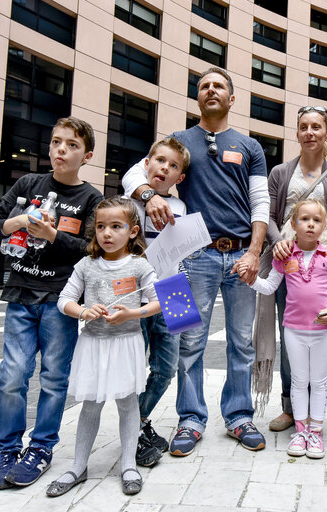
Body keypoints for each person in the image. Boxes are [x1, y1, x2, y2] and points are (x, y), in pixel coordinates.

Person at [123, 67, 270, 455]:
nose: (211, 90)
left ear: (232, 98)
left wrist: (255, 251)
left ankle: (239, 416)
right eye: (204, 85)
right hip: (192, 259)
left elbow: (261, 204)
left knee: (241, 342)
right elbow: (133, 174)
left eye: (219, 85)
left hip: (241, 256)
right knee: (189, 340)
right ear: (198, 96)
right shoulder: (178, 142)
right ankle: (190, 419)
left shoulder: (250, 147)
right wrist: (147, 195)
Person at [0, 117, 103, 490]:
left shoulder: (91, 199)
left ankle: (41, 447)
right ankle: (6, 449)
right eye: (55, 142)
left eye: (71, 145)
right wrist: (18, 221)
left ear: (87, 155)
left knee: (53, 377)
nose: (61, 150)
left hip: (60, 300)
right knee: (12, 375)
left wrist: (51, 235)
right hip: (20, 293)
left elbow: (91, 250)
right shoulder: (27, 185)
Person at [46, 197, 162, 497]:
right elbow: (64, 299)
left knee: (127, 403)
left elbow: (159, 302)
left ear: (133, 231)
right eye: (101, 226)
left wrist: (131, 313)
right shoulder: (87, 265)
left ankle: (127, 464)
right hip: (94, 343)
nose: (107, 233)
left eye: (115, 226)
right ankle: (78, 466)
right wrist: (84, 311)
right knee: (91, 404)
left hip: (126, 344)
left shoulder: (139, 265)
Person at [260, 105, 327, 433]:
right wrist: (275, 241)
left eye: (316, 127)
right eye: (304, 127)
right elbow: (269, 216)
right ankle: (290, 406)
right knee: (292, 335)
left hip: (325, 266)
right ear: (297, 133)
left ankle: (315, 407)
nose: (310, 132)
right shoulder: (280, 173)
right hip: (289, 263)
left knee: (321, 334)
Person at [246, 199, 327, 459]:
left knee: (319, 380)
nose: (310, 225)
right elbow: (269, 287)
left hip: (324, 331)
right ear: (293, 224)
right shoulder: (285, 255)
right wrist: (251, 280)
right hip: (293, 329)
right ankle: (301, 430)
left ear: (324, 225)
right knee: (299, 381)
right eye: (304, 219)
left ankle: (316, 431)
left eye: (316, 220)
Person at [130, 137, 190, 466]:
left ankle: (138, 421)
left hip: (175, 289)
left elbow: (183, 252)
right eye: (160, 161)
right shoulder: (131, 200)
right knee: (134, 365)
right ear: (147, 165)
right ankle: (136, 430)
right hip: (136, 292)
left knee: (166, 369)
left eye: (173, 165)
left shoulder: (181, 208)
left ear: (179, 178)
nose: (164, 168)